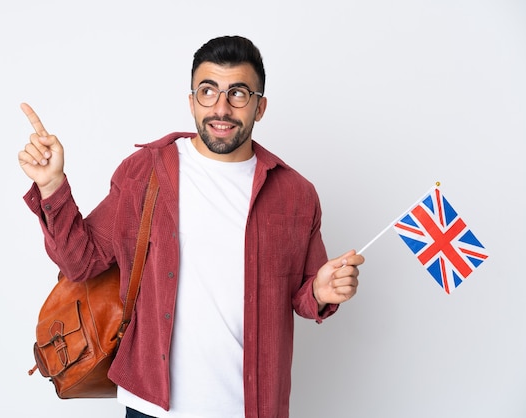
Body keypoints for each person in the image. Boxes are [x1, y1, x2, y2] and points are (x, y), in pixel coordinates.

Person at [19, 35, 364, 418]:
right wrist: (51, 186)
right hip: (152, 406)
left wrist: (319, 290)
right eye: (207, 91)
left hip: (251, 407)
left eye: (237, 93)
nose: (221, 107)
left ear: (259, 107)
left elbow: (303, 296)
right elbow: (79, 263)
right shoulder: (144, 172)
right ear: (191, 101)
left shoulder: (296, 194)